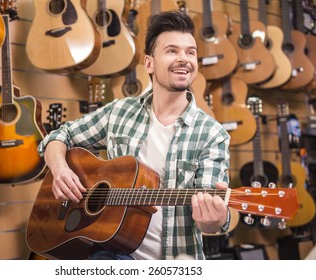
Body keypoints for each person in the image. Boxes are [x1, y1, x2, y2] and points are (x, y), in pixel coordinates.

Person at [37, 10, 231, 260]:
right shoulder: (119, 112)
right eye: (172, 51)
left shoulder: (212, 134)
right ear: (149, 63)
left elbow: (209, 224)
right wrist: (60, 169)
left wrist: (215, 219)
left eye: (190, 52)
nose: (184, 59)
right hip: (110, 250)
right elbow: (58, 136)